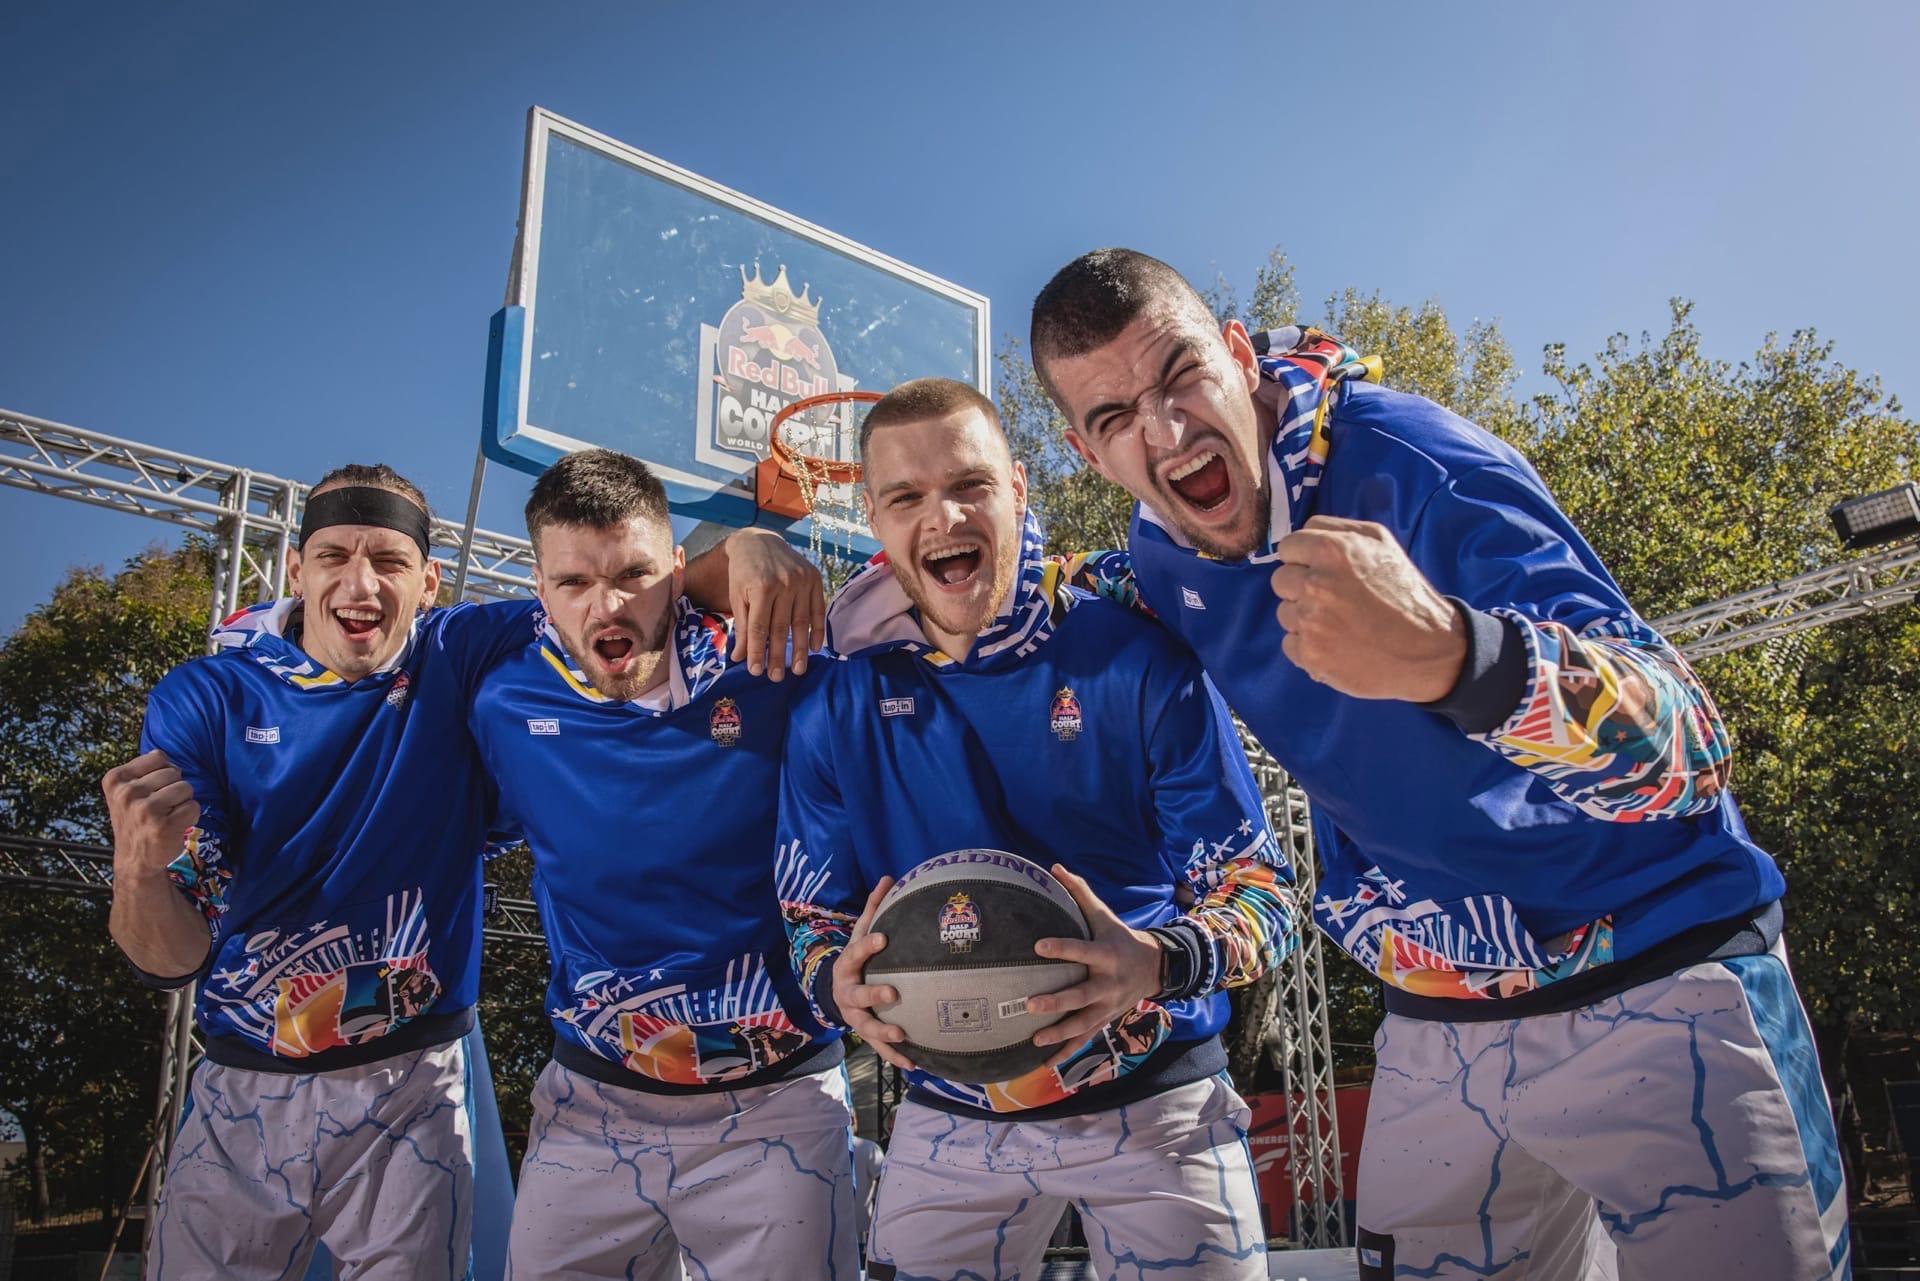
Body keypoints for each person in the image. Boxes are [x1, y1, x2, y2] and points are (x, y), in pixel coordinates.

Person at [1026, 248, 1850, 1280]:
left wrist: (1463, 659)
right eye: (1113, 419)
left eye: (1181, 375)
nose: (1165, 429)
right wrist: (781, 573)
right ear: (1085, 453)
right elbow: (1013, 593)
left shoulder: (1424, 469)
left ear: (1239, 358)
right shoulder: (1156, 553)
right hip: (1438, 1015)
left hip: (1656, 968)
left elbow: (1690, 751)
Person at [102, 462, 819, 1280]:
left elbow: (632, 588)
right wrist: (136, 872)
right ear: (296, 570)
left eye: (389, 562)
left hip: (413, 1080)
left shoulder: (463, 652)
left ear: (432, 583)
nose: (360, 584)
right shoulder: (208, 697)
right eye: (334, 556)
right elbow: (169, 959)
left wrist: (747, 549)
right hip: (241, 1087)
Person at [776, 379, 1297, 1280]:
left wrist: (1156, 962)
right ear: (873, 515)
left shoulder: (1130, 654)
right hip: (950, 1112)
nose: (941, 517)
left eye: (969, 485)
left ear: (1018, 487)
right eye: (906, 497)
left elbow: (1264, 894)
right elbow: (808, 916)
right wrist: (837, 989)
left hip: (1158, 1095)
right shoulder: (836, 701)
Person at [467, 449, 856, 1279]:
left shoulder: (779, 667)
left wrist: (752, 542)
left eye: (634, 574)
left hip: (778, 1099)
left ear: (679, 572)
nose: (606, 605)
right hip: (590, 1102)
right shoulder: (504, 704)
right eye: (573, 583)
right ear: (538, 591)